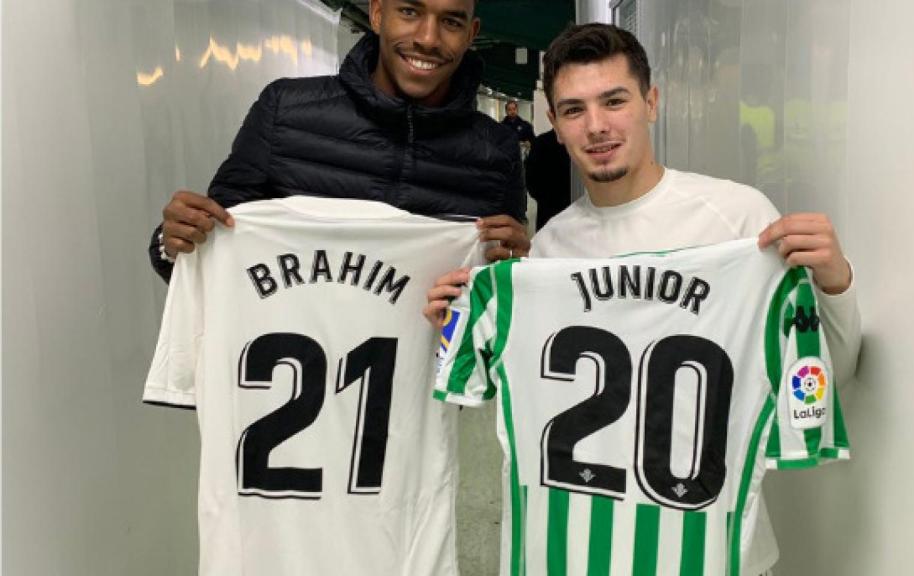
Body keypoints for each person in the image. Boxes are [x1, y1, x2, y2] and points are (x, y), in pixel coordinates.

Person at [425, 23, 861, 576]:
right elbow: (512, 403)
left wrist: (835, 283)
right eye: (575, 109)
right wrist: (453, 321)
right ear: (554, 125)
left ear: (651, 102)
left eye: (614, 101)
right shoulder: (550, 251)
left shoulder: (741, 221)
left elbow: (829, 377)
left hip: (721, 552)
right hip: (584, 551)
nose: (598, 126)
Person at [148, 0, 529, 282]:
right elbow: (218, 245)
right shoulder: (284, 111)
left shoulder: (496, 150)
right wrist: (173, 242)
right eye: (410, 12)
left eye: (450, 21)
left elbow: (501, 289)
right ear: (377, 13)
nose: (428, 39)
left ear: (471, 35)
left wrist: (516, 262)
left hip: (425, 382)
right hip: (298, 373)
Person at [524, 128, 572, 231]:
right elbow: (531, 176)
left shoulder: (577, 140)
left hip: (548, 204)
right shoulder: (541, 142)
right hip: (549, 205)